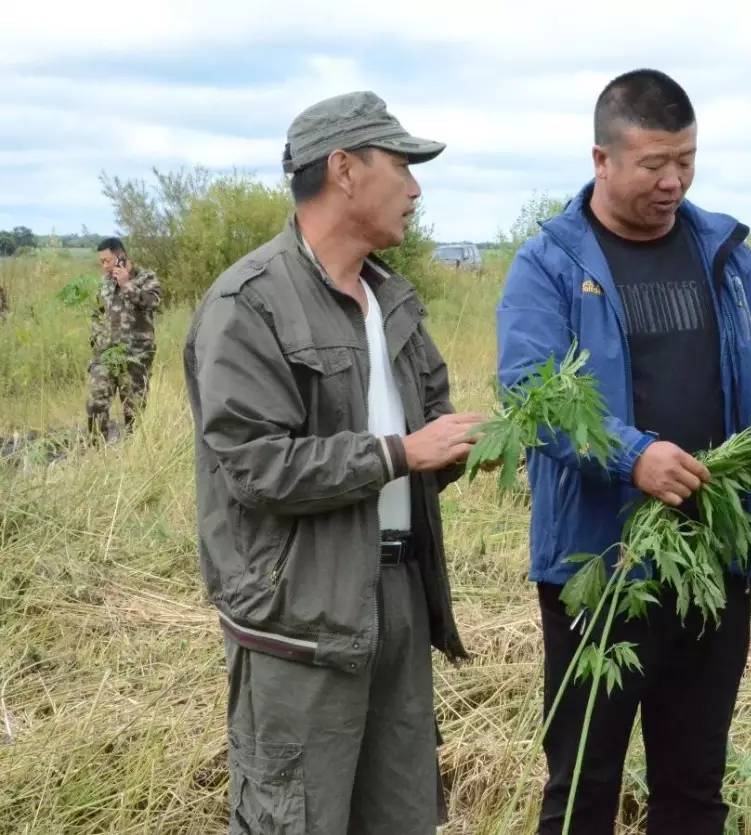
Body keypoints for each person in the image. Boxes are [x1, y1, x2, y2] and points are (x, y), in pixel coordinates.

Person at [497, 68, 751, 834]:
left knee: (693, 788)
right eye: (654, 163)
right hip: (601, 573)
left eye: (686, 159)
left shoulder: (722, 250)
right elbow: (532, 394)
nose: (674, 180)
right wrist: (633, 457)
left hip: (713, 562)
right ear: (603, 160)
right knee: (583, 787)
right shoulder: (551, 264)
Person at [183, 91, 484, 834]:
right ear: (344, 169)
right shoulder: (248, 304)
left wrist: (470, 445)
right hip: (300, 623)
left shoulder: (394, 299)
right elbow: (256, 467)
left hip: (397, 598)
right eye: (402, 165)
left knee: (403, 814)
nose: (416, 188)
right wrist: (400, 453)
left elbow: (434, 420)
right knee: (299, 817)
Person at [87, 237, 161, 438]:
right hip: (106, 355)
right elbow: (96, 312)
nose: (104, 267)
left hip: (136, 355)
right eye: (101, 262)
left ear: (120, 256)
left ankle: (133, 454)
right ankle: (97, 452)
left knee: (134, 411)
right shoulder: (105, 283)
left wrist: (127, 284)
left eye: (107, 261)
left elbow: (153, 303)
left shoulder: (146, 277)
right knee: (96, 403)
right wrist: (97, 339)